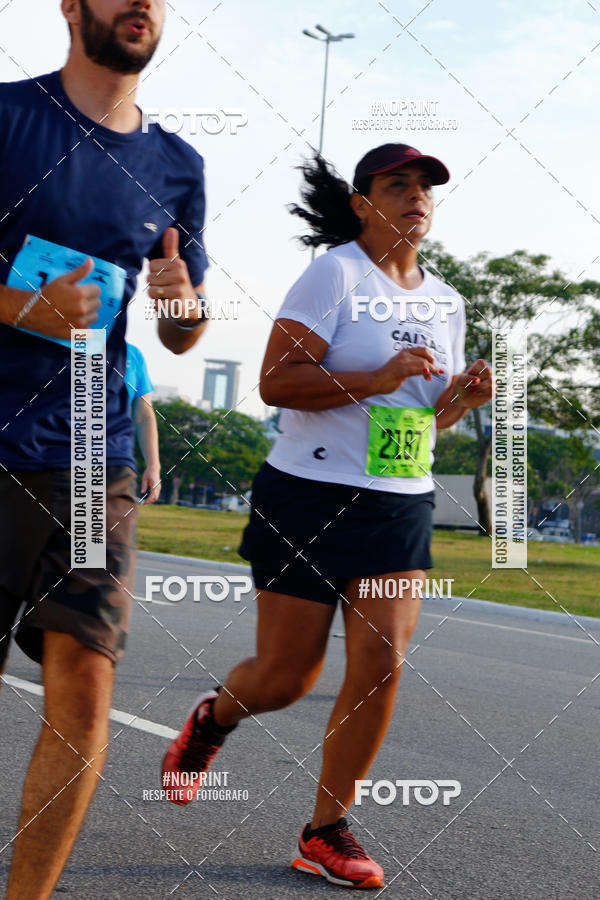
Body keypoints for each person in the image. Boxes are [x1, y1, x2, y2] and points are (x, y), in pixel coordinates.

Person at [162, 143, 493, 889]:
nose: (416, 197)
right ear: (362, 202)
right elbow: (278, 381)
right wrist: (375, 376)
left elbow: (420, 417)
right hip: (306, 497)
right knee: (285, 677)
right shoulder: (334, 273)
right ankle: (214, 720)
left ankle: (324, 830)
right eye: (397, 184)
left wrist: (461, 403)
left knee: (380, 664)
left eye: (425, 187)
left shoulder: (445, 302)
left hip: (398, 500)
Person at [0, 2, 209, 897]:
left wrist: (180, 300)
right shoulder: (8, 118)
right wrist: (19, 308)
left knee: (85, 687)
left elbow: (185, 335)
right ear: (70, 7)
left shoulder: (177, 166)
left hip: (93, 455)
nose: (140, 7)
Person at [125, 342, 161, 503]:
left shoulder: (132, 354)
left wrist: (153, 466)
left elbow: (144, 416)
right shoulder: (56, 342)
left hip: (114, 461)